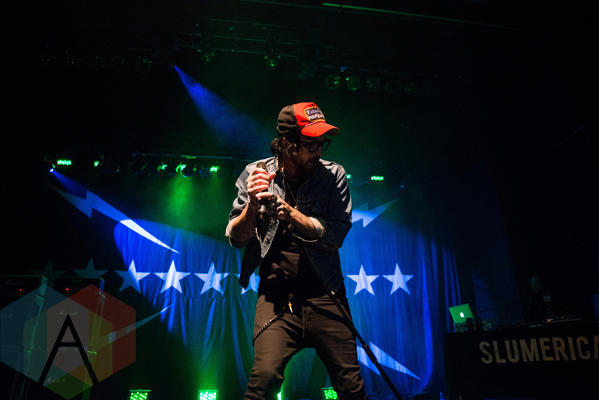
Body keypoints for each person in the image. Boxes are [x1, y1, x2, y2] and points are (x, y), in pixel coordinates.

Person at [226, 102, 367, 400]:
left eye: (322, 143)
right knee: (262, 382)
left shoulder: (333, 175)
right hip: (276, 298)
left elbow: (336, 234)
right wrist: (252, 203)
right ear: (287, 143)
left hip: (326, 295)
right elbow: (236, 238)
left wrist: (293, 215)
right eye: (311, 144)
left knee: (350, 386)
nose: (318, 151)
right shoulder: (255, 173)